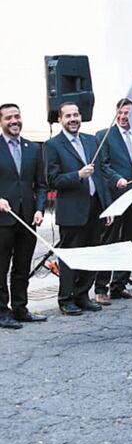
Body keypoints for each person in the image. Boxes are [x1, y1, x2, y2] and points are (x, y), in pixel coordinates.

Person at [45, 102, 113, 315]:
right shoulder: (53, 145)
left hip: (95, 206)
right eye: (68, 116)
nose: (73, 119)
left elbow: (101, 175)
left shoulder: (91, 140)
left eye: (76, 115)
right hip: (72, 210)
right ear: (60, 120)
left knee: (91, 254)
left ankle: (83, 295)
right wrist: (77, 175)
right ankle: (66, 299)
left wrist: (107, 206)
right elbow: (52, 179)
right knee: (70, 257)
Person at [0, 104, 47, 328]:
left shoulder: (32, 149)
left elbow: (41, 185)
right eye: (9, 117)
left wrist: (39, 209)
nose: (14, 121)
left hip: (28, 218)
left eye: (17, 116)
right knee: (1, 267)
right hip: (3, 219)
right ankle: (2, 312)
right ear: (1, 122)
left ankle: (20, 308)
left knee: (22, 265)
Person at [94, 98, 132, 303]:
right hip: (114, 198)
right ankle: (101, 288)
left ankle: (120, 285)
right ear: (116, 113)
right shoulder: (104, 135)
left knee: (130, 242)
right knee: (109, 242)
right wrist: (118, 180)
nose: (124, 117)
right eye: (122, 112)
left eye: (129, 113)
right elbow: (103, 166)